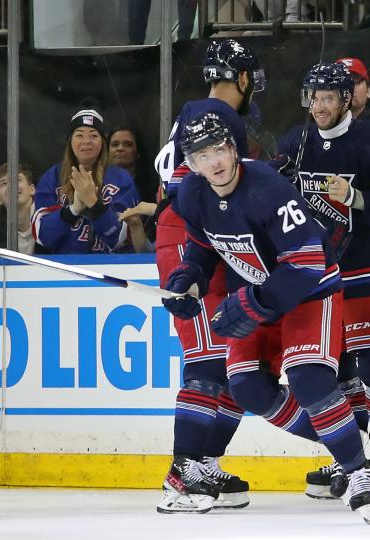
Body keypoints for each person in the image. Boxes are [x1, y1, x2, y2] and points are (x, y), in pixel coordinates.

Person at [164, 113, 370, 524]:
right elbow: (202, 246)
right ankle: (349, 445)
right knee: (247, 387)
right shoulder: (193, 193)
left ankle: (358, 474)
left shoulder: (267, 189)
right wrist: (187, 277)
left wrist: (251, 305)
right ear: (191, 164)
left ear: (233, 149)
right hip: (260, 293)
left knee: (308, 378)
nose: (213, 161)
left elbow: (306, 264)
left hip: (310, 291)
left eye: (218, 149)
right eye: (201, 155)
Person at [274, 62, 370, 500]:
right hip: (318, 277)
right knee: (335, 374)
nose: (318, 106)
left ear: (347, 99)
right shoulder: (293, 145)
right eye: (312, 97)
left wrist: (355, 198)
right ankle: (350, 455)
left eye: (328, 98)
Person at [151, 39, 263, 514]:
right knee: (206, 357)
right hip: (188, 236)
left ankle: (204, 460)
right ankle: (183, 469)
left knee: (232, 358)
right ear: (241, 78)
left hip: (212, 236)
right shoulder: (211, 113)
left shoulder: (200, 113)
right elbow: (184, 186)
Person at [32, 99, 140, 254]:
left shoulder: (121, 179)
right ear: (70, 142)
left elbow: (120, 239)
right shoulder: (52, 177)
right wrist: (73, 210)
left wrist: (94, 205)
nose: (86, 141)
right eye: (79, 135)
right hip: (62, 267)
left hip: (110, 267)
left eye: (94, 135)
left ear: (102, 142)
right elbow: (43, 235)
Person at [110, 125, 160, 204]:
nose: (120, 148)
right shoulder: (98, 183)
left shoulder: (152, 188)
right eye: (115, 144)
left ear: (138, 152)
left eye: (128, 144)